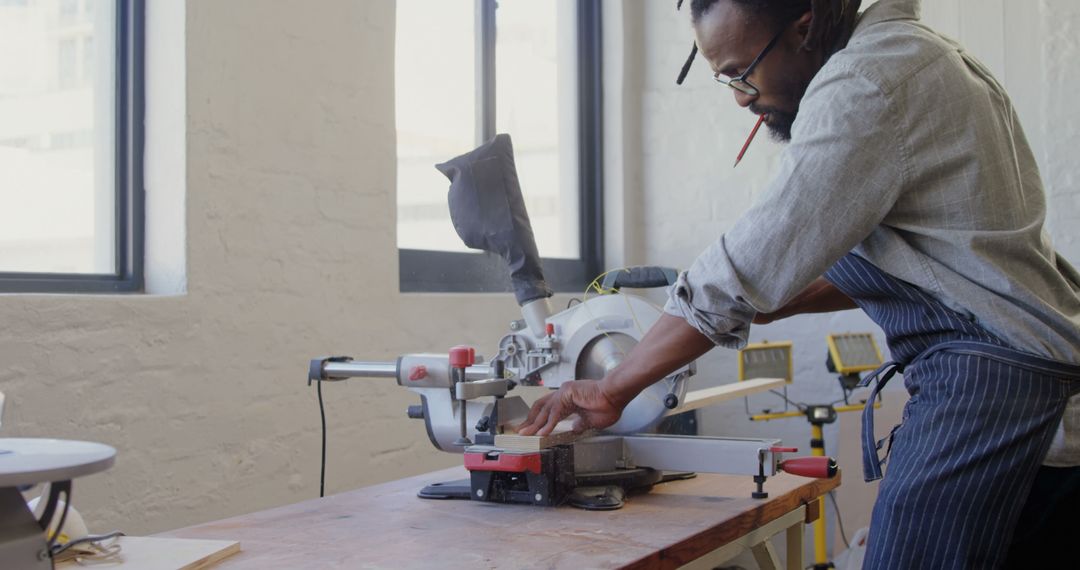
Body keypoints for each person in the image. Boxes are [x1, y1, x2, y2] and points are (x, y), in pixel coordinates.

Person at [515, 0, 1080, 568]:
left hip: (993, 389)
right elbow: (936, 261)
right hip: (1042, 391)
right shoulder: (927, 57)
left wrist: (612, 390)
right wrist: (775, 302)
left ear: (804, 28)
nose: (739, 96)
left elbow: (733, 275)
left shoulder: (865, 83)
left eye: (741, 72)